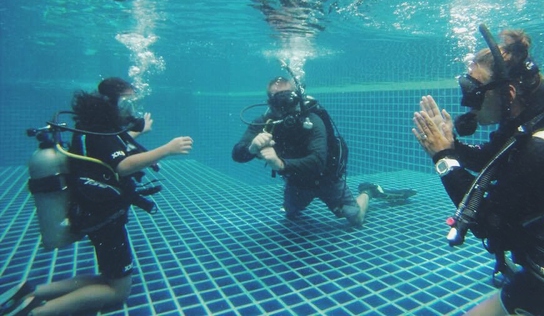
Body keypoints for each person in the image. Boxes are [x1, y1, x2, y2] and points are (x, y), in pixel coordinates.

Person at [412, 27, 544, 315]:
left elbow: (488, 223)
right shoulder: (531, 119)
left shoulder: (541, 147)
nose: (467, 102)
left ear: (508, 93)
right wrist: (451, 145)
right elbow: (489, 159)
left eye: (474, 92)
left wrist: (443, 157)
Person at [0, 77, 193, 316]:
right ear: (111, 104)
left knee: (110, 277)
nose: (132, 109)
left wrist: (137, 132)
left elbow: (108, 149)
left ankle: (32, 292)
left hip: (92, 212)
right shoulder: (101, 132)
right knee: (118, 290)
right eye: (128, 103)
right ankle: (36, 311)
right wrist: (167, 149)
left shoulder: (89, 127)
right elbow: (123, 165)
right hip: (105, 218)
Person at [232, 76, 391, 227]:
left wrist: (280, 164)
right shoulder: (265, 122)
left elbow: (318, 162)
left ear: (296, 97)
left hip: (327, 180)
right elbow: (237, 155)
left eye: (287, 98)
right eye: (277, 100)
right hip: (297, 183)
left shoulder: (312, 119)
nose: (283, 105)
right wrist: (251, 148)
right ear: (269, 102)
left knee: (356, 218)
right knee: (290, 214)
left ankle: (368, 191)